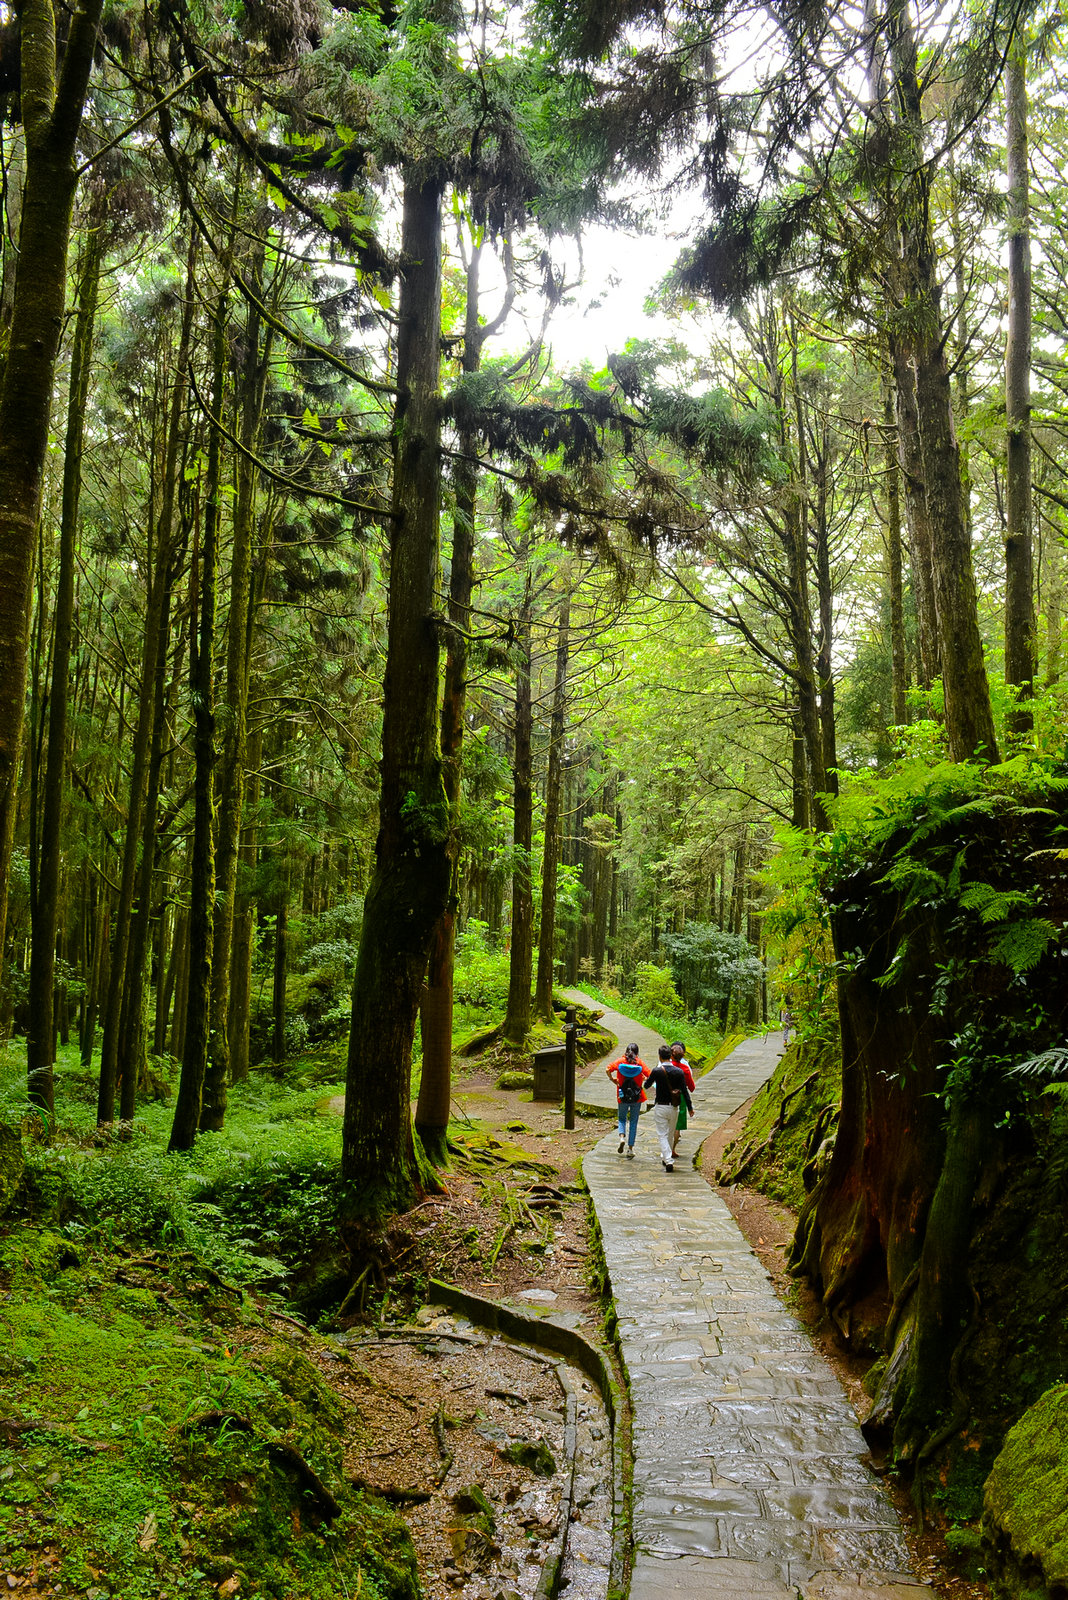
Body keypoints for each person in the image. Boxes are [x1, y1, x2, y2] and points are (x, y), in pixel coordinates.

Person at [644, 1045, 689, 1171]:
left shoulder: (657, 1071)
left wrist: (646, 1079)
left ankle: (668, 1160)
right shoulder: (679, 1072)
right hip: (674, 1107)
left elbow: (646, 1085)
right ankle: (665, 1157)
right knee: (670, 1133)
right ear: (670, 1056)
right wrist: (690, 1107)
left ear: (659, 1056)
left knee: (662, 1134)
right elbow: (685, 1091)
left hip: (660, 1106)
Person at [606, 1043, 647, 1157]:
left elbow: (608, 1069)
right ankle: (630, 1149)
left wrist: (613, 1079)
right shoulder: (640, 1063)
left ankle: (621, 1138)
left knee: (622, 1119)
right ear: (637, 1052)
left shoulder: (620, 1061)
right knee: (633, 1122)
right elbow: (650, 1074)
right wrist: (643, 1079)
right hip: (636, 1097)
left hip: (622, 1096)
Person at [669, 1043, 695, 1159]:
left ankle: (666, 1147)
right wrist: (690, 1107)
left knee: (667, 1123)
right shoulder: (685, 1069)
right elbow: (691, 1087)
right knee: (677, 1126)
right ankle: (672, 1149)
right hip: (681, 1098)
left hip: (666, 1096)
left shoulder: (666, 1066)